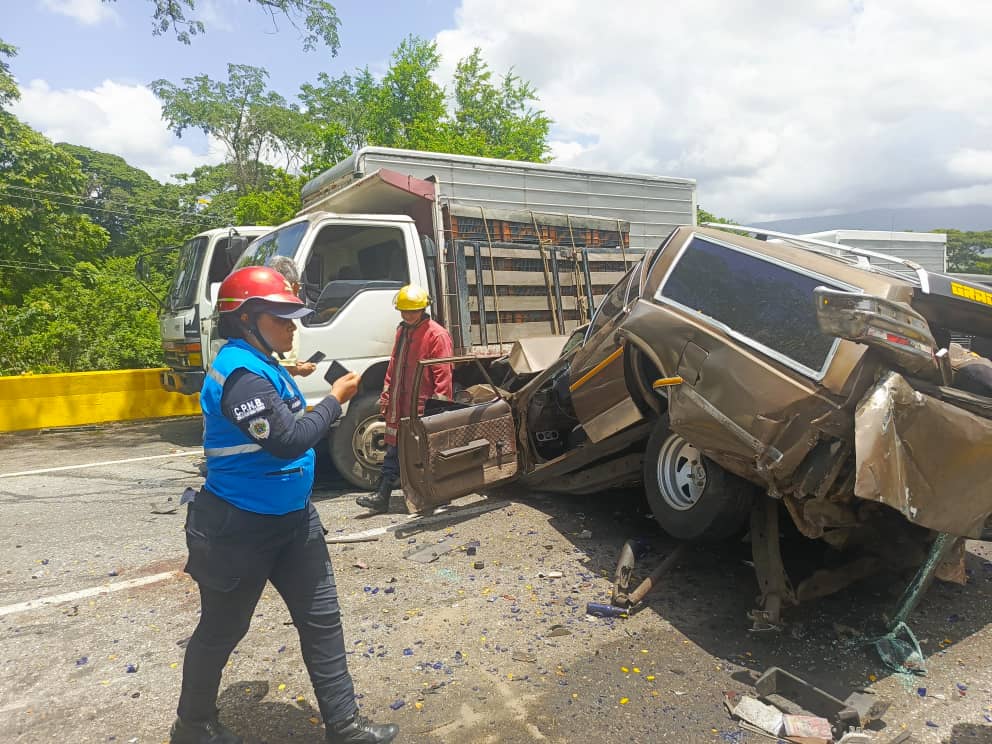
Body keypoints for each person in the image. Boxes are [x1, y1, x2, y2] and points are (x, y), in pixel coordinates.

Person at [171, 266, 398, 744]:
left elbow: (269, 395)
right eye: (283, 318)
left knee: (322, 623)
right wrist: (335, 400)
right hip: (240, 529)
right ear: (247, 319)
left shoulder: (259, 363)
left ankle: (346, 726)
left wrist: (291, 370)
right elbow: (288, 441)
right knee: (222, 630)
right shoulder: (241, 379)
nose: (294, 327)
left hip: (295, 523)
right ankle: (192, 726)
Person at [356, 284, 453, 514]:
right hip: (400, 405)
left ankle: (436, 495)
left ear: (423, 309)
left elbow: (443, 375)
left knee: (424, 454)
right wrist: (387, 394)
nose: (407, 315)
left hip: (422, 407)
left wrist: (439, 410)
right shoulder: (403, 330)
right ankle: (382, 495)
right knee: (394, 450)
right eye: (404, 311)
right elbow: (393, 364)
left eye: (412, 311)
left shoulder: (436, 335)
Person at [267, 255, 317, 378]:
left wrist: (295, 365)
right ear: (293, 286)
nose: (292, 327)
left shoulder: (266, 312)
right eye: (298, 286)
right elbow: (276, 365)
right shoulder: (279, 314)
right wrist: (298, 370)